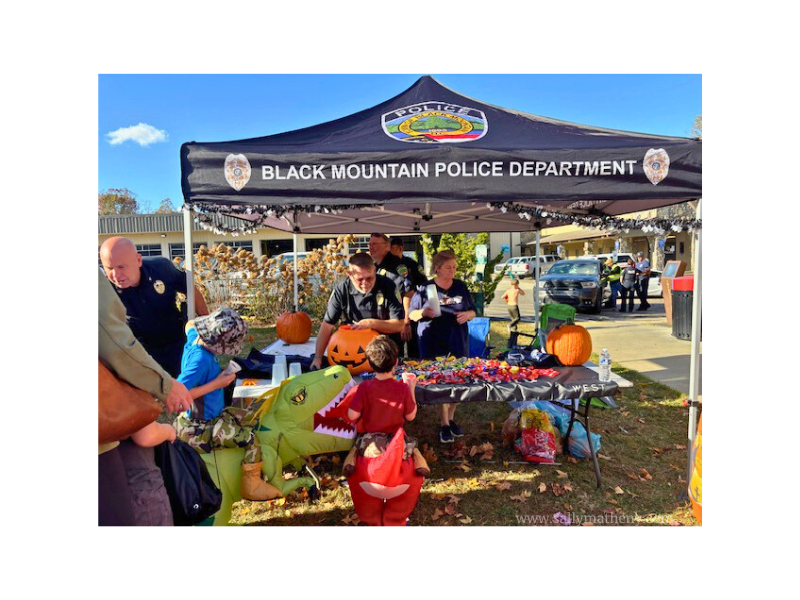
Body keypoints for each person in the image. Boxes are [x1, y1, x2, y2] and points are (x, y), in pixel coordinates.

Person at [99, 270, 194, 526]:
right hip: (107, 423)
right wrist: (164, 385)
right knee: (136, 491)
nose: (116, 273)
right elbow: (115, 343)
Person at [342, 336, 426, 526]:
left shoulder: (364, 388)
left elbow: (352, 415)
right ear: (396, 362)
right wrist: (410, 387)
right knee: (409, 481)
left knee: (362, 487)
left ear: (369, 363)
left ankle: (371, 521)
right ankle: (396, 521)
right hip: (396, 454)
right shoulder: (401, 389)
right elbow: (411, 416)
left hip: (369, 454)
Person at [100, 236, 210, 378]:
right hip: (141, 351)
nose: (115, 275)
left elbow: (190, 288)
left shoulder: (161, 268)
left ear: (138, 260)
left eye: (121, 267)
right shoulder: (104, 289)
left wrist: (206, 327)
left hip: (176, 342)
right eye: (109, 268)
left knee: (189, 386)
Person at [409, 250, 477, 444]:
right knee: (440, 381)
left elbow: (473, 309)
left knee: (458, 379)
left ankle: (452, 418)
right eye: (448, 267)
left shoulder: (461, 287)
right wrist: (422, 312)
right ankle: (444, 423)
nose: (452, 271)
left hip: (457, 338)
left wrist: (468, 315)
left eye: (455, 267)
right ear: (437, 268)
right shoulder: (425, 288)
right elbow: (411, 315)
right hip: (432, 339)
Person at [311, 252, 405, 371]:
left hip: (385, 354)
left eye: (369, 278)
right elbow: (327, 324)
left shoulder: (388, 286)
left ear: (374, 270)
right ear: (350, 274)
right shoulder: (342, 289)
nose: (365, 283)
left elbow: (399, 325)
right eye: (360, 279)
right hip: (352, 349)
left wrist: (371, 324)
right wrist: (318, 358)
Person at [178, 307, 246, 422]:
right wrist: (216, 384)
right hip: (203, 420)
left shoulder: (195, 338)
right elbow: (179, 394)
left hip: (213, 413)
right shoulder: (200, 360)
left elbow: (189, 324)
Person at [369, 233, 415, 355]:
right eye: (370, 244)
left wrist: (406, 322)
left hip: (394, 324)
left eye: (374, 244)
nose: (371, 247)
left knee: (392, 360)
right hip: (376, 326)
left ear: (386, 246)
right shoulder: (373, 267)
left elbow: (408, 293)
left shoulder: (398, 266)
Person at [389, 237, 428, 358]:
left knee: (414, 352)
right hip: (393, 315)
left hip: (412, 313)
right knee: (395, 352)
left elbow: (424, 287)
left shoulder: (412, 265)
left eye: (390, 250)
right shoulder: (386, 266)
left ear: (400, 248)